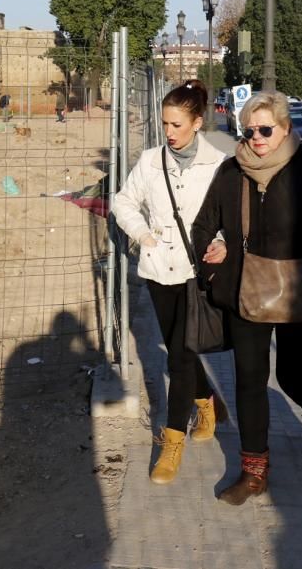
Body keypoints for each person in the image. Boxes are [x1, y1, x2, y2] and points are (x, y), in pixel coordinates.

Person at [192, 90, 302, 505]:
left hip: (300, 290)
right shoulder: (232, 172)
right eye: (249, 130)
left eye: (265, 129)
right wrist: (214, 256)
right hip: (245, 290)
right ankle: (253, 473)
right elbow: (202, 226)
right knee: (248, 381)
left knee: (293, 375)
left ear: (286, 128)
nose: (256, 138)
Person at [113, 79, 229, 484]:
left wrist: (222, 243)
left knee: (178, 355)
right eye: (165, 124)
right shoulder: (149, 161)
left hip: (197, 272)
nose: (170, 133)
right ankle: (208, 402)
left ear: (197, 122)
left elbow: (229, 219)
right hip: (157, 268)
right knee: (183, 350)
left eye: (178, 125)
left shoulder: (218, 165)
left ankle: (172, 440)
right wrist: (141, 232)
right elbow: (123, 201)